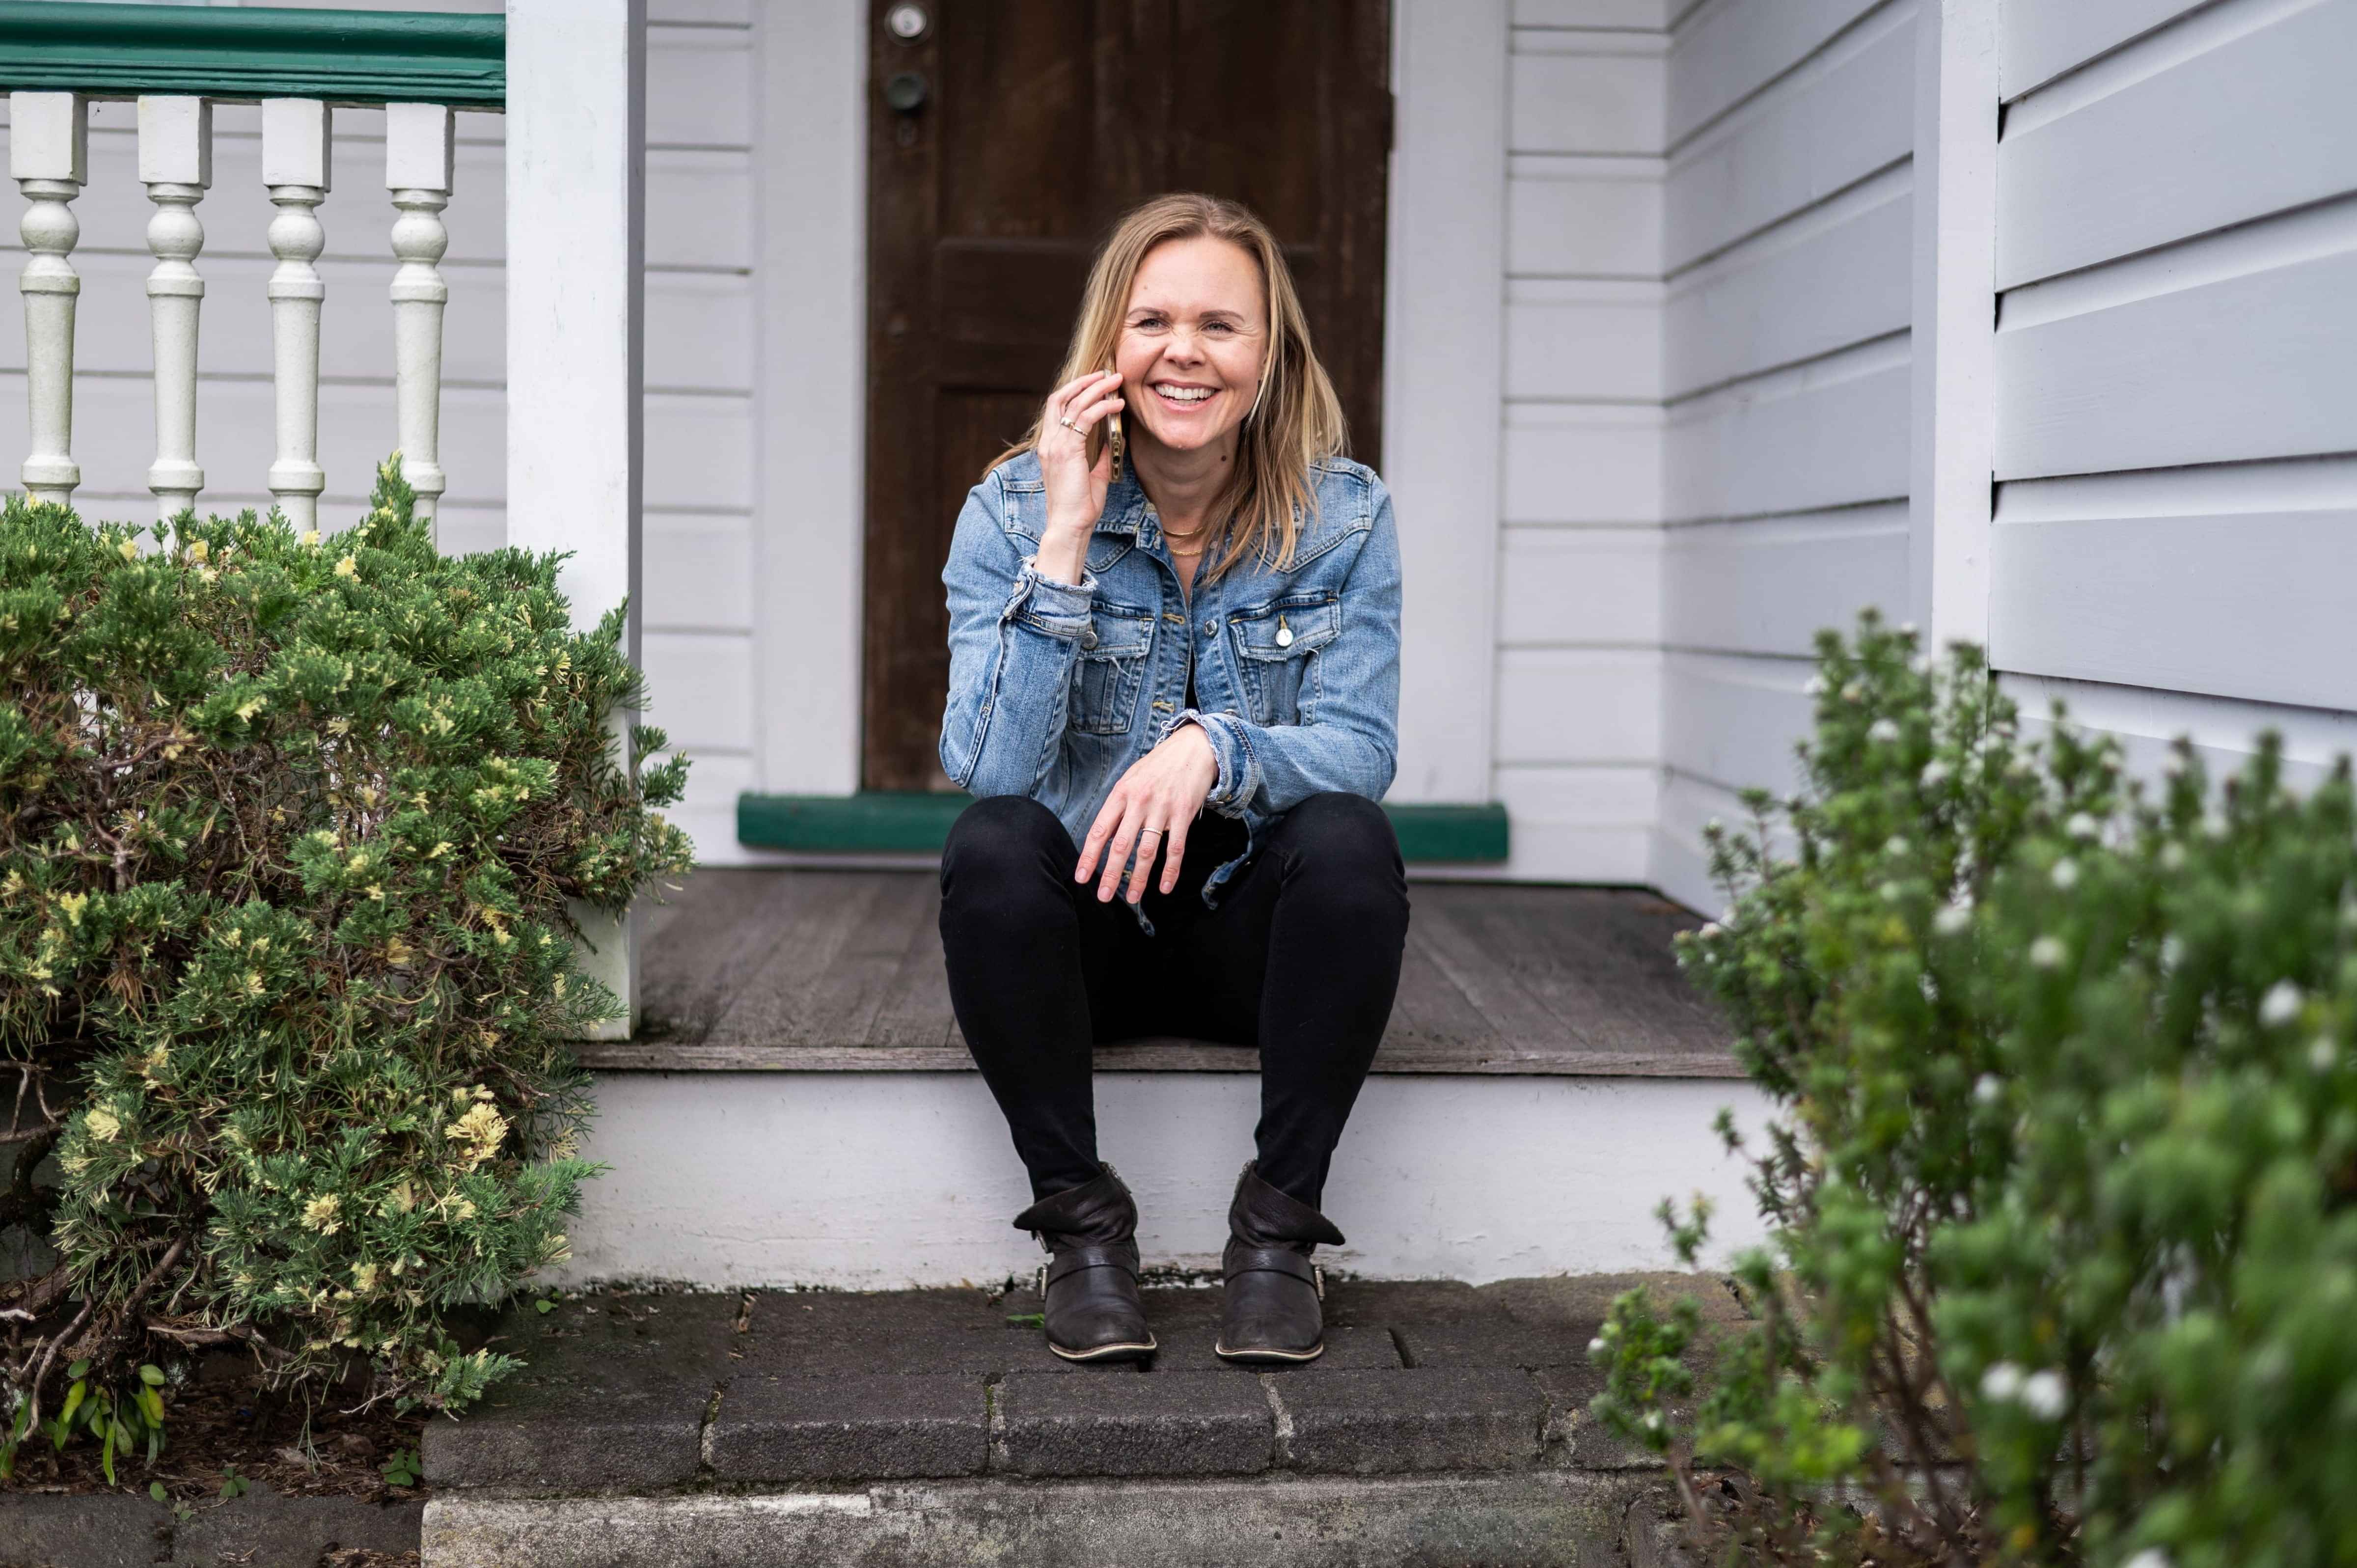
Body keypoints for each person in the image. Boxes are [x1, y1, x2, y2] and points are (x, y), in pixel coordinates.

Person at [936, 193, 1409, 1367]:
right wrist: (1063, 540)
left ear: (1269, 355)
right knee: (993, 842)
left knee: (1351, 839)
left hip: (1251, 941)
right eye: (1153, 320)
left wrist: (1215, 747)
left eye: (1220, 325)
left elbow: (1362, 746)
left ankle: (1278, 1234)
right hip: (1087, 942)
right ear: (1111, 350)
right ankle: (1084, 1227)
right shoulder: (1009, 510)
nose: (1184, 351)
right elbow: (987, 766)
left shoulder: (1345, 517)